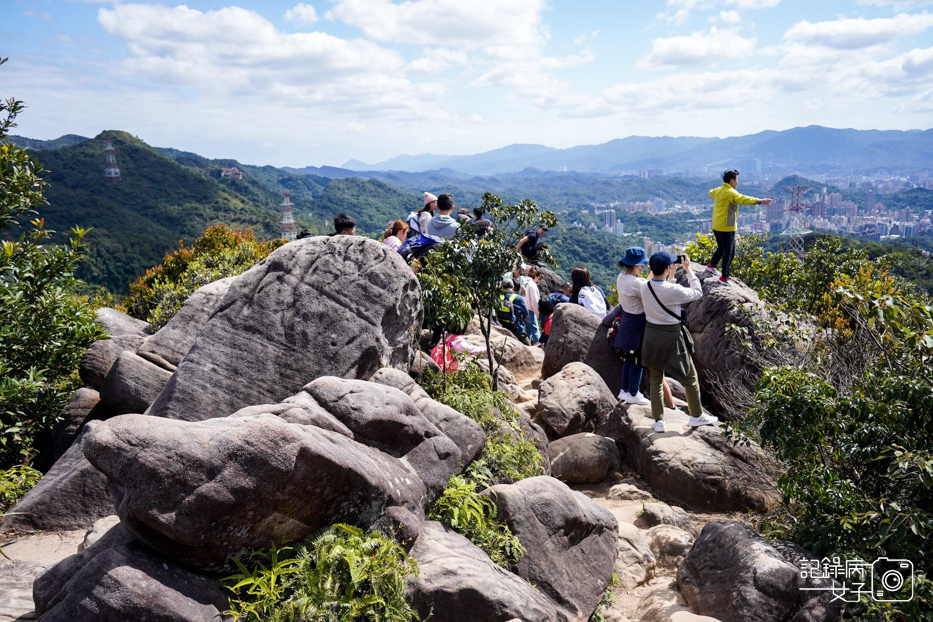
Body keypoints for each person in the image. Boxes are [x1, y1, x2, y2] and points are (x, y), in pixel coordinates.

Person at [639, 252, 718, 433]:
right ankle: (696, 415)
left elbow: (663, 293)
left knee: (656, 378)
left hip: (651, 335)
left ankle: (658, 420)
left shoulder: (644, 287)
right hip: (672, 336)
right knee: (689, 376)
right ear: (667, 268)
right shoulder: (673, 291)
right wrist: (688, 269)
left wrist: (671, 275)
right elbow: (697, 293)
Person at [707, 170, 773, 284]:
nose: (737, 183)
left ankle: (711, 266)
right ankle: (724, 277)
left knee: (722, 248)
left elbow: (710, 193)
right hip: (727, 226)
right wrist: (760, 201)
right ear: (732, 181)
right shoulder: (731, 193)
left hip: (716, 225)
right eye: (736, 180)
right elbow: (743, 199)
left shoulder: (718, 190)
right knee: (729, 252)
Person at [612, 247, 650, 405]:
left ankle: (624, 390)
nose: (642, 268)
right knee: (638, 359)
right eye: (641, 265)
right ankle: (634, 392)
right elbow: (652, 291)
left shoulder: (621, 277)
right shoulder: (637, 283)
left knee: (629, 357)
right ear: (636, 265)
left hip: (626, 319)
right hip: (637, 322)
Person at [496, 279, 530, 345]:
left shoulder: (499, 297)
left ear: (502, 287)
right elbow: (526, 314)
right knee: (530, 348)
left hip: (502, 328)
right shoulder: (518, 298)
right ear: (513, 287)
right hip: (517, 329)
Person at [523, 266, 543, 344]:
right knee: (535, 330)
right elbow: (535, 301)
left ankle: (527, 345)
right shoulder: (532, 285)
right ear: (536, 276)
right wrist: (538, 314)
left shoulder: (522, 281)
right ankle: (538, 347)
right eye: (539, 278)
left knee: (527, 330)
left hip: (522, 309)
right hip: (530, 311)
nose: (538, 281)